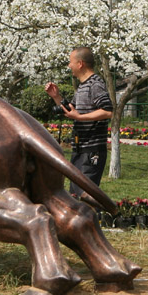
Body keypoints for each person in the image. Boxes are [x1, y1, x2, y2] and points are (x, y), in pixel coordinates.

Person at [44, 47, 113, 199]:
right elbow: (72, 110)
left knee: (86, 196)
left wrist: (80, 118)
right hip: (80, 149)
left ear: (80, 64)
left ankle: (96, 220)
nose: (69, 66)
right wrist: (57, 97)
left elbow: (108, 111)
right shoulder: (83, 86)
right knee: (75, 194)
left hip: (91, 151)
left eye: (71, 62)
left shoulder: (95, 84)